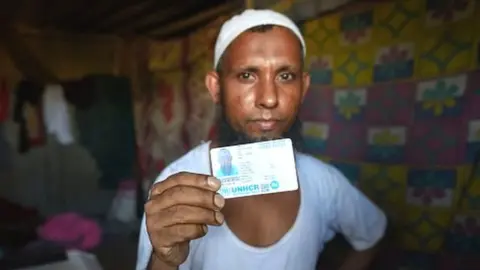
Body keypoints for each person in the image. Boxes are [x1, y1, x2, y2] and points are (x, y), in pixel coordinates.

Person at [137, 9, 387, 270]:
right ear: (216, 88)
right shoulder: (176, 188)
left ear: (303, 88)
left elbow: (373, 235)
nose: (269, 98)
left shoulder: (323, 182)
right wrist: (164, 259)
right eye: (247, 75)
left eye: (285, 76)